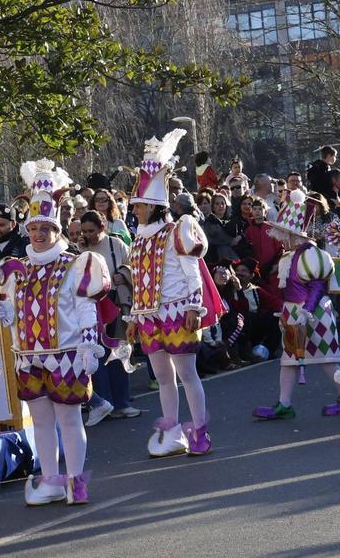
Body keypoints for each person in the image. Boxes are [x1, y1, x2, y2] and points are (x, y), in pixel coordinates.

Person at [0, 159, 109, 505]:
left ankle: (76, 480)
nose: (38, 235)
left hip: (66, 355)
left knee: (69, 419)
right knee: (40, 422)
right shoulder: (17, 269)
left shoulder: (76, 264)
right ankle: (52, 479)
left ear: (57, 230)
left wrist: (88, 344)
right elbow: (17, 313)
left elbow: (86, 306)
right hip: (29, 357)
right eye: (33, 229)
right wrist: (7, 313)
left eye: (45, 229)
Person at [124, 129, 214, 458]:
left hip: (178, 311)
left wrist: (194, 306)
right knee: (163, 377)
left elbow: (192, 272)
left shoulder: (178, 230)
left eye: (139, 205)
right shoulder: (138, 240)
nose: (134, 210)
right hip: (149, 317)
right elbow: (139, 282)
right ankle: (173, 430)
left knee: (187, 373)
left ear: (154, 204)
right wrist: (135, 316)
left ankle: (200, 430)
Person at [253, 190, 340, 419]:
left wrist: (307, 311)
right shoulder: (290, 256)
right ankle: (284, 404)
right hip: (294, 314)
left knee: (328, 360)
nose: (283, 239)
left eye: (286, 235)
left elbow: (317, 286)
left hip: (315, 314)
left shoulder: (311, 254)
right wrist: (285, 311)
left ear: (296, 236)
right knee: (289, 361)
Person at [79, 211, 140, 421]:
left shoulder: (116, 244)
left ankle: (122, 403)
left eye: (92, 231)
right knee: (97, 355)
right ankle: (104, 403)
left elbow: (134, 267)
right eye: (85, 231)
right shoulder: (80, 247)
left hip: (114, 301)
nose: (89, 235)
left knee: (119, 351)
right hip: (91, 306)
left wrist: (123, 275)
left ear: (102, 227)